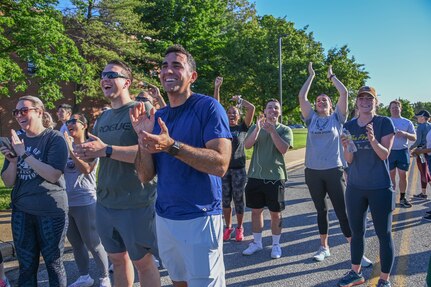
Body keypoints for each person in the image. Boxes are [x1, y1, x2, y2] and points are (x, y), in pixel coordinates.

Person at [130, 44, 232, 286]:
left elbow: (220, 164)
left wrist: (171, 146)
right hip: (165, 217)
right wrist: (142, 140)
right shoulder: (158, 117)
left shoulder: (208, 107)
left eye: (177, 65)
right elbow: (144, 176)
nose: (168, 71)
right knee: (179, 282)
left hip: (201, 216)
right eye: (164, 66)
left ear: (192, 76)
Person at [74, 60, 160, 287]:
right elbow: (98, 156)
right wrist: (86, 152)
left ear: (127, 82)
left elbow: (150, 150)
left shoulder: (142, 110)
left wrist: (107, 150)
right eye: (103, 75)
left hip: (136, 202)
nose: (105, 79)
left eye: (112, 75)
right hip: (105, 202)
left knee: (143, 262)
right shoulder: (103, 117)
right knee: (118, 261)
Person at [298, 63, 372, 266]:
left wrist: (332, 77)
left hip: (334, 170)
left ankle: (356, 251)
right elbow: (302, 98)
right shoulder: (310, 118)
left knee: (342, 211)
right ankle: (324, 247)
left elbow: (344, 93)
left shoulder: (337, 119)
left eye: (325, 100)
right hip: (312, 171)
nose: (321, 101)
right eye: (318, 100)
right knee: (321, 210)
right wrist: (311, 75)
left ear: (331, 105)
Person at [0, 95, 69, 286]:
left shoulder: (54, 138)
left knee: (54, 264)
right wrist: (13, 161)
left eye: (24, 110)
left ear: (39, 112)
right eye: (16, 112)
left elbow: (54, 175)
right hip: (22, 211)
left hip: (50, 211)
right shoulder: (17, 140)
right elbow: (7, 181)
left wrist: (24, 154)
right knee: (26, 266)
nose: (19, 115)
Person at [337, 86, 395, 287]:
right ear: (357, 103)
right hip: (355, 187)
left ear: (375, 102)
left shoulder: (383, 123)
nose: (365, 102)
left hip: (380, 186)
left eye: (369, 99)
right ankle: (356, 273)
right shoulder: (350, 125)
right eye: (361, 98)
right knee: (356, 232)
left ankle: (385, 279)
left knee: (383, 233)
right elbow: (350, 159)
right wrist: (346, 147)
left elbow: (384, 154)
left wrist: (371, 138)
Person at [63, 114, 111, 287]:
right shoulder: (63, 146)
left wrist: (70, 150)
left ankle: (105, 276)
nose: (69, 124)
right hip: (66, 202)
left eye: (73, 121)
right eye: (68, 122)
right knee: (76, 243)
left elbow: (86, 169)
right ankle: (84, 276)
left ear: (84, 125)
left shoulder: (91, 146)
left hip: (85, 200)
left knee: (93, 242)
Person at [241, 98, 292, 259]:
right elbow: (247, 145)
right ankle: (257, 242)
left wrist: (272, 131)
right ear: (265, 111)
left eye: (276, 108)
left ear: (280, 112)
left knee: (275, 213)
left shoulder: (284, 129)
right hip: (255, 176)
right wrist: (257, 128)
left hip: (275, 177)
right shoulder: (256, 127)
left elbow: (283, 149)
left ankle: (276, 245)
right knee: (256, 212)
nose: (273, 110)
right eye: (270, 107)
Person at [213, 76, 256, 242]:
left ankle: (239, 227)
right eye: (229, 112)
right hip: (223, 169)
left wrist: (240, 100)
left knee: (238, 199)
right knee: (225, 200)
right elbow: (216, 106)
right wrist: (217, 87)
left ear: (239, 116)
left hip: (238, 169)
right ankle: (228, 227)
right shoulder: (221, 125)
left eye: (234, 112)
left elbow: (251, 108)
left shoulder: (242, 128)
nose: (231, 114)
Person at [388, 100, 416, 208]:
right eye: (392, 107)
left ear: (401, 109)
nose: (395, 109)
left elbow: (414, 137)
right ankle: (391, 198)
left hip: (402, 151)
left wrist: (405, 133)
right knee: (391, 176)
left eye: (396, 107)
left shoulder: (407, 122)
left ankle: (403, 198)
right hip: (390, 151)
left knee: (403, 175)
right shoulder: (387, 121)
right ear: (389, 109)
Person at [410, 110, 431, 199]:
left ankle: (423, 193)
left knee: (423, 172)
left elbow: (418, 141)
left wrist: (411, 148)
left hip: (421, 152)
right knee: (427, 171)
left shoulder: (420, 127)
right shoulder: (430, 126)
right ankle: (423, 192)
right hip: (428, 150)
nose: (417, 119)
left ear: (423, 117)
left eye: (418, 117)